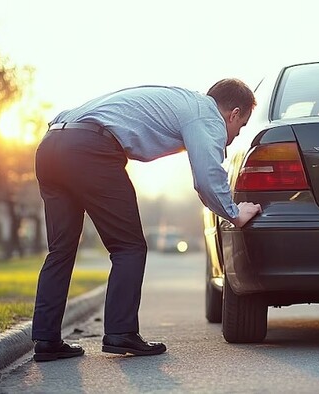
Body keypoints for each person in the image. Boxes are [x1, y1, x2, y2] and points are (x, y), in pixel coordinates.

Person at [31, 79, 262, 362]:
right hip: (90, 150)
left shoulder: (182, 101)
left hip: (51, 144)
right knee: (128, 247)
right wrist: (236, 214)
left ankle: (46, 340)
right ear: (233, 113)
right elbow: (206, 180)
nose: (236, 135)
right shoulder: (207, 114)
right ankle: (121, 332)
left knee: (60, 250)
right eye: (241, 126)